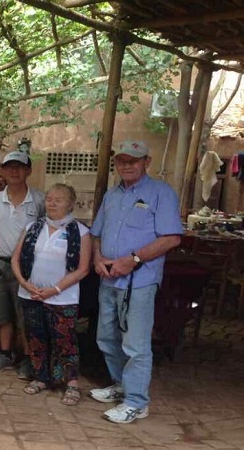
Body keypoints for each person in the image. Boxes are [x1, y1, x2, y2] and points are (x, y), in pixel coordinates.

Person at [89, 141, 182, 424]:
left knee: (136, 344)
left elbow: (171, 238)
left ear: (146, 161)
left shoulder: (160, 193)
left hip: (139, 281)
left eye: (134, 160)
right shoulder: (112, 195)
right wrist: (97, 259)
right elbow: (96, 234)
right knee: (106, 337)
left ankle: (137, 402)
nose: (127, 165)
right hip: (109, 279)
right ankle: (121, 385)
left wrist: (132, 260)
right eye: (122, 161)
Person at [10, 183, 91, 406]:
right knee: (36, 337)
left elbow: (83, 268)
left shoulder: (80, 232)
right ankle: (41, 377)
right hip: (31, 295)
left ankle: (71, 383)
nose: (52, 203)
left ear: (71, 204)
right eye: (49, 199)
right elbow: (15, 259)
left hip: (62, 297)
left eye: (59, 199)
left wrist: (54, 290)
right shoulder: (32, 228)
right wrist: (25, 284)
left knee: (65, 340)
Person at [0, 151, 44, 378]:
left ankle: (25, 358)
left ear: (28, 171)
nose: (14, 171)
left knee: (24, 315)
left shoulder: (40, 200)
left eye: (19, 167)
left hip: (28, 268)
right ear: (3, 171)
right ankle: (4, 353)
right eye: (9, 167)